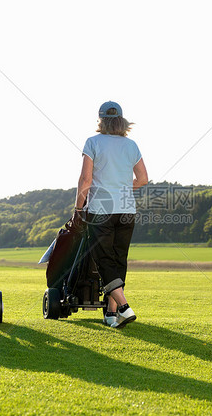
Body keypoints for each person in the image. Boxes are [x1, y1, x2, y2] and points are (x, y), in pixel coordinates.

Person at [74, 101, 148, 328]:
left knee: (104, 260)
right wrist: (124, 189)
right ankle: (111, 314)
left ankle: (124, 307)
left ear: (101, 120)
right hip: (127, 210)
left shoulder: (93, 142)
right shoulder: (131, 145)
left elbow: (86, 180)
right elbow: (143, 178)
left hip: (101, 210)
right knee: (118, 260)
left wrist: (78, 208)